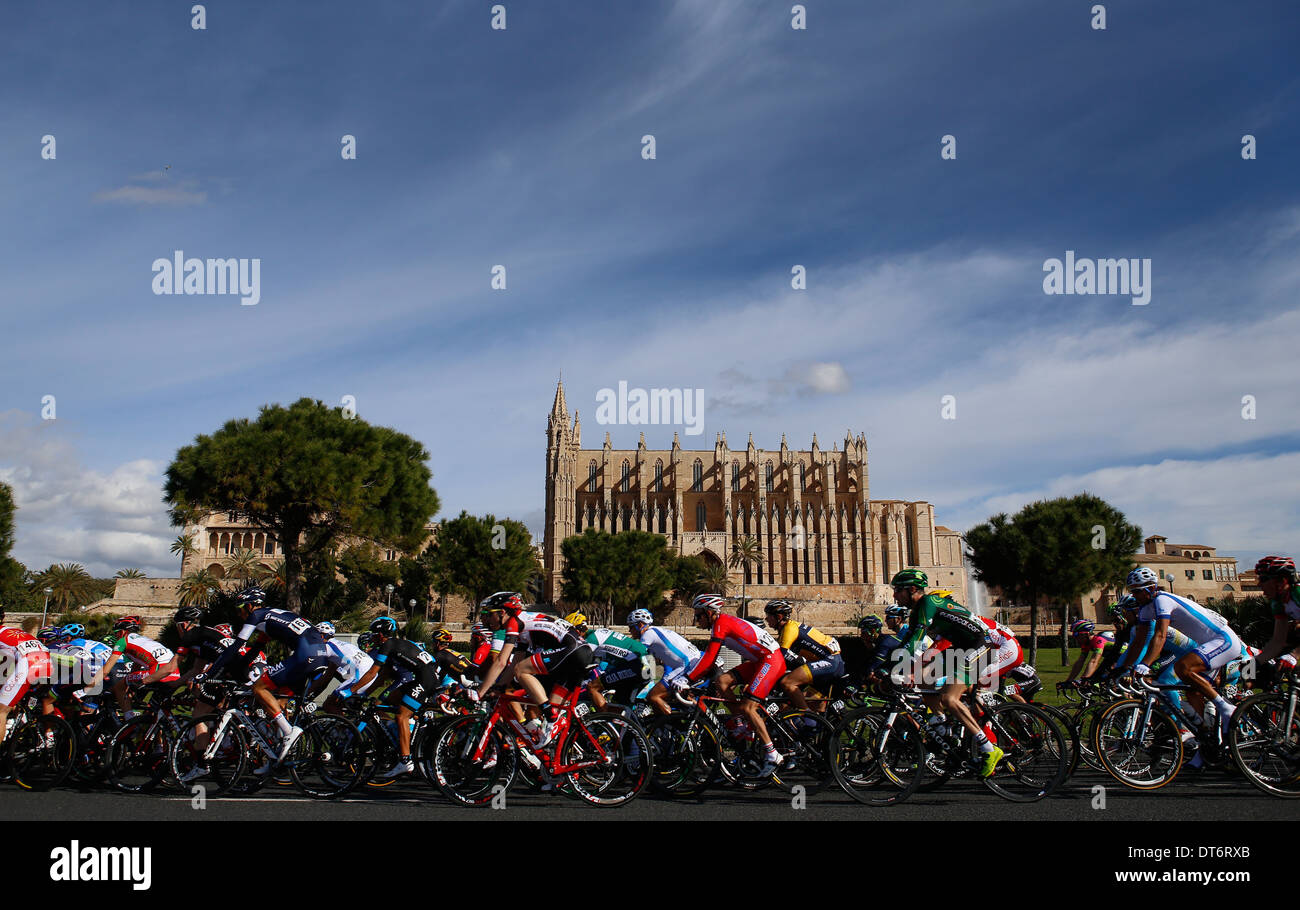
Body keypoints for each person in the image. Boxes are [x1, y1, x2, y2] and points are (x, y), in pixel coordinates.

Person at [199, 586, 341, 764]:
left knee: (259, 688)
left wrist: (210, 673)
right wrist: (235, 671)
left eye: (240, 609)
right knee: (277, 702)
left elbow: (235, 646)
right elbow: (256, 649)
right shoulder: (273, 616)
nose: (240, 615)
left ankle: (289, 734)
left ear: (249, 606)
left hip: (305, 655)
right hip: (319, 655)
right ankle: (275, 758)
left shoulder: (256, 616)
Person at [892, 569, 1003, 778]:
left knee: (949, 698)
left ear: (913, 589)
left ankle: (990, 749)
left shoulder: (928, 603)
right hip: (960, 649)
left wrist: (897, 666)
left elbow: (917, 639)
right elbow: (910, 643)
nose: (895, 595)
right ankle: (942, 727)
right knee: (923, 679)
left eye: (898, 590)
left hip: (980, 645)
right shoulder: (916, 611)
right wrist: (895, 667)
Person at [1120, 567, 1243, 740]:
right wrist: (1125, 668)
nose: (1135, 596)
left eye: (1138, 591)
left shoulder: (1163, 599)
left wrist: (1145, 665)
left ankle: (1226, 709)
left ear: (1151, 588)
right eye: (1133, 591)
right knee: (1192, 693)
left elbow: (1160, 635)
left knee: (1182, 667)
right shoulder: (1146, 609)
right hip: (1208, 645)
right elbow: (1139, 642)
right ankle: (1208, 738)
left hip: (1224, 640)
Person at [679, 594, 786, 775]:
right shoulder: (719, 623)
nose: (696, 620)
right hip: (759, 661)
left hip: (771, 660)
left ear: (710, 613)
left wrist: (687, 680)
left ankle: (772, 753)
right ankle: (741, 723)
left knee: (749, 707)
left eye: (699, 616)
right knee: (722, 682)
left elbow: (709, 658)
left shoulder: (721, 624)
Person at [476, 592, 595, 747]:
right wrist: (499, 688)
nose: (487, 620)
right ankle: (562, 761)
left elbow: (501, 661)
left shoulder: (515, 621)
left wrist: (479, 692)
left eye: (489, 614)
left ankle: (548, 711)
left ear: (502, 612)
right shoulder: (524, 623)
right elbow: (514, 662)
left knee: (522, 671)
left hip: (572, 652)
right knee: (551, 722)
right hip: (579, 653)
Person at [89, 616, 181, 718]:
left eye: (116, 633)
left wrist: (89, 687)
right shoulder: (143, 640)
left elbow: (106, 670)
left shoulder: (123, 641)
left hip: (159, 669)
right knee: (154, 713)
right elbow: (136, 666)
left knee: (119, 686)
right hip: (174, 671)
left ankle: (129, 717)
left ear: (123, 632)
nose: (116, 636)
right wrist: (130, 685)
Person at [763, 600, 843, 712]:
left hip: (830, 662)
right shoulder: (789, 628)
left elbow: (781, 655)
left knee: (787, 683)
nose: (766, 619)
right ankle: (818, 727)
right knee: (803, 703)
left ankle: (806, 714)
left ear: (779, 616)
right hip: (832, 663)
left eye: (768, 615)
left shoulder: (789, 628)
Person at [565, 612, 651, 711]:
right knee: (618, 703)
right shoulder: (599, 633)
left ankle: (606, 722)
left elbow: (578, 661)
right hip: (643, 663)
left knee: (592, 688)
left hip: (637, 664)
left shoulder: (592, 639)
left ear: (577, 630)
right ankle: (627, 723)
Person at [627, 608, 702, 715]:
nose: (630, 631)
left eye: (631, 627)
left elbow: (637, 656)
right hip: (691, 662)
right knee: (672, 699)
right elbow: (654, 661)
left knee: (653, 696)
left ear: (640, 625)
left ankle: (667, 727)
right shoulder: (656, 631)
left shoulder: (648, 635)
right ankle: (699, 719)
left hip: (685, 665)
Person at [0, 605, 54, 749]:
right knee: (14, 698)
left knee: (1, 710)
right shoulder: (13, 631)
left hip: (29, 663)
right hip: (47, 662)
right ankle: (22, 732)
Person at [1252, 556, 1300, 682]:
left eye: (1263, 579)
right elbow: (1278, 641)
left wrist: (1294, 655)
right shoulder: (1278, 602)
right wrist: (1251, 666)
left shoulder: (1298, 592)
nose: (1259, 584)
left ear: (1281, 581)